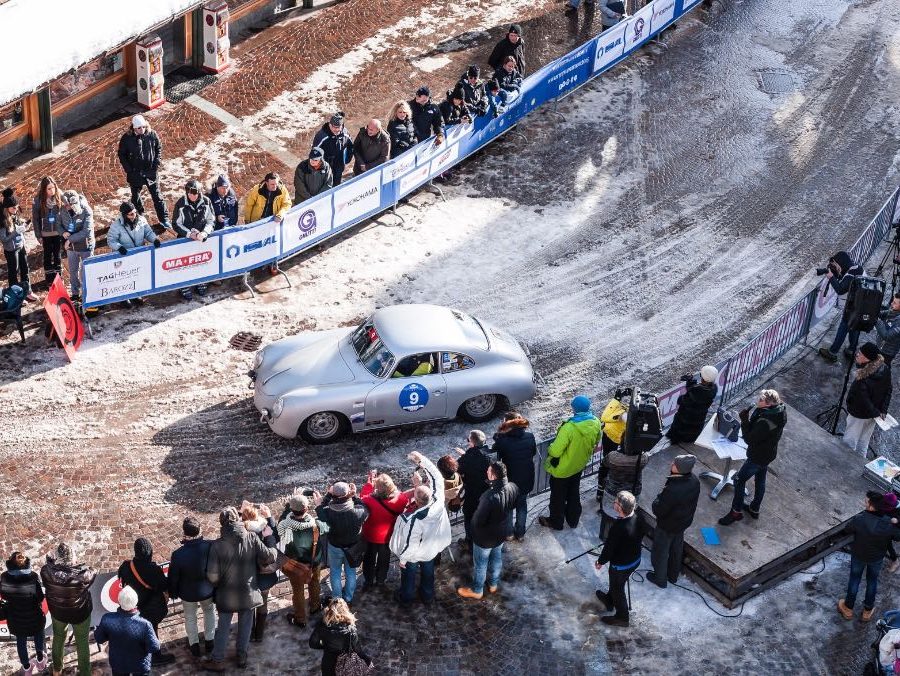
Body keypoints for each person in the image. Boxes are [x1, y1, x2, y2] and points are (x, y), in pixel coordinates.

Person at [205, 506, 277, 671]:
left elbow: (213, 576)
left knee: (223, 626)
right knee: (245, 624)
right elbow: (268, 557)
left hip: (226, 593)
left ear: (221, 524)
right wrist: (270, 540)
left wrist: (219, 585)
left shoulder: (217, 545)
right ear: (237, 520)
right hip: (248, 591)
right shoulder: (251, 537)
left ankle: (217, 660)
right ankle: (242, 656)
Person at [390, 452, 451, 607]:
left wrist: (403, 559)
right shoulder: (438, 501)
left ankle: (407, 597)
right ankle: (428, 596)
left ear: (416, 501)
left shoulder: (414, 519)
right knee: (428, 572)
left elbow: (411, 543)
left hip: (415, 554)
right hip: (431, 548)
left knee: (409, 575)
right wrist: (422, 460)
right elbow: (436, 477)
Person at [718, 389, 788, 525]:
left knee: (738, 480)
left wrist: (744, 421)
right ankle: (754, 508)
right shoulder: (779, 411)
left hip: (758, 456)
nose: (758, 400)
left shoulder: (766, 422)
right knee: (760, 480)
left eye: (761, 400)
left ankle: (735, 512)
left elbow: (749, 439)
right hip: (768, 454)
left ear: (768, 405)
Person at [538, 396, 602, 531]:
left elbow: (555, 452)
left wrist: (549, 449)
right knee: (574, 493)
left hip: (562, 470)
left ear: (575, 409)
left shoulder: (569, 427)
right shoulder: (596, 421)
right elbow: (597, 440)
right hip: (578, 466)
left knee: (557, 498)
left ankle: (556, 522)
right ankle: (573, 520)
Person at [458, 461, 519, 600]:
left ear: (493, 475)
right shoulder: (513, 487)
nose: (486, 472)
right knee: (497, 557)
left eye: (489, 471)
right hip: (501, 532)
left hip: (485, 538)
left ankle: (477, 590)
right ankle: (493, 584)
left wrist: (473, 531)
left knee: (480, 564)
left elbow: (478, 521)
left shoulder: (489, 497)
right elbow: (513, 505)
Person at [837, 491, 900, 622]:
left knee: (854, 580)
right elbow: (898, 537)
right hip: (876, 558)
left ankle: (848, 608)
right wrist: (894, 523)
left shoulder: (860, 519)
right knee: (872, 581)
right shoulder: (888, 523)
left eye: (866, 502)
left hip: (859, 555)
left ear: (871, 507)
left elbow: (847, 529)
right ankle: (867, 610)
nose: (864, 503)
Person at [117, 538, 175, 667]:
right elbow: (164, 585)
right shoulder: (153, 570)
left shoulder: (126, 566)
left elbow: (122, 579)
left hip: (134, 608)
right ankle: (155, 656)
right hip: (152, 609)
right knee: (152, 630)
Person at [40, 542, 96, 676]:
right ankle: (85, 672)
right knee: (82, 641)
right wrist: (80, 565)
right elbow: (93, 572)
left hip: (58, 612)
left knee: (58, 638)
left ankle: (57, 669)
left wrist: (50, 561)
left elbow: (48, 566)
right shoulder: (82, 575)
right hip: (80, 612)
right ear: (72, 557)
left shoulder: (46, 571)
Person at [594, 491, 649, 627]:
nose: (614, 503)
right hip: (635, 560)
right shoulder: (639, 517)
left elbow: (609, 549)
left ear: (620, 508)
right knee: (617, 585)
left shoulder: (618, 528)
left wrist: (600, 561)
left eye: (616, 502)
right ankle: (609, 600)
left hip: (621, 566)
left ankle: (622, 617)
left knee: (618, 588)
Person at [647, 454, 701, 588]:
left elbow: (659, 509)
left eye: (675, 464)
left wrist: (657, 500)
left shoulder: (673, 489)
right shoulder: (694, 480)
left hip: (667, 525)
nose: (671, 464)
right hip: (682, 523)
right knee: (677, 549)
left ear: (681, 469)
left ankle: (660, 579)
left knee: (661, 551)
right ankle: (673, 575)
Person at [277, 493, 329, 628]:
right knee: (315, 583)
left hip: (295, 565)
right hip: (314, 562)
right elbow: (327, 525)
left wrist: (290, 504)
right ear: (306, 509)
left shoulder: (285, 525)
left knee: (298, 591)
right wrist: (319, 506)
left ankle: (300, 619)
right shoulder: (315, 524)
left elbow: (282, 519)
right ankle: (315, 607)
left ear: (292, 510)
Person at [168, 517, 216, 658]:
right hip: (207, 590)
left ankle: (194, 644)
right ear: (199, 530)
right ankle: (209, 641)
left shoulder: (178, 555)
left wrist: (173, 593)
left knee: (190, 617)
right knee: (209, 612)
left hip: (187, 593)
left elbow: (174, 577)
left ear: (185, 533)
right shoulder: (209, 546)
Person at [314, 482, 369, 605]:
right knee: (351, 572)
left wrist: (326, 496)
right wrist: (354, 496)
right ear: (348, 493)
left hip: (335, 546)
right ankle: (348, 598)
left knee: (335, 571)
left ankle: (337, 599)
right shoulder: (358, 512)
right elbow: (364, 508)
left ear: (334, 495)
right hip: (353, 547)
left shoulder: (328, 512)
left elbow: (321, 510)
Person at [360, 471, 413, 590]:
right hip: (388, 536)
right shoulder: (400, 499)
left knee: (369, 559)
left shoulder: (369, 500)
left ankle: (368, 581)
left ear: (377, 489)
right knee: (384, 560)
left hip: (370, 536)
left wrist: (369, 484)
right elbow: (403, 498)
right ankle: (380, 581)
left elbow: (362, 497)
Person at [94, 586, 161, 676]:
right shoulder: (145, 624)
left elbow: (99, 638)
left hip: (118, 663)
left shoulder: (107, 619)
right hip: (140, 664)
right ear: (136, 602)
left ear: (119, 601)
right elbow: (154, 647)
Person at [117, 115, 170, 227]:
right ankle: (139, 214)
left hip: (150, 172)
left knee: (157, 196)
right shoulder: (127, 138)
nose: (142, 130)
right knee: (135, 197)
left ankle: (164, 219)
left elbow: (158, 148)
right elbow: (121, 154)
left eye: (143, 127)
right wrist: (129, 170)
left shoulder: (152, 134)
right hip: (135, 173)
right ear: (133, 128)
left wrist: (156, 164)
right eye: (139, 128)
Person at [1, 551, 47, 676]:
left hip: (16, 619)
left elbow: (4, 595)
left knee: (21, 643)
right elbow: (40, 598)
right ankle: (40, 660)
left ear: (10, 563)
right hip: (34, 617)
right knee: (39, 636)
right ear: (26, 562)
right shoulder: (33, 576)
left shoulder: (4, 577)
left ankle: (27, 668)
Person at [843, 342, 893, 458]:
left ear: (867, 358)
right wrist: (882, 411)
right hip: (874, 415)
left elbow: (862, 398)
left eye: (859, 354)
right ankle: (860, 466)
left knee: (849, 443)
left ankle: (843, 465)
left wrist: (876, 412)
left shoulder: (863, 377)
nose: (856, 355)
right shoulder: (885, 369)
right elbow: (888, 391)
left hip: (859, 414)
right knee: (863, 443)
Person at [492, 412, 536, 541]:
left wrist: (499, 436)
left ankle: (509, 534)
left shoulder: (503, 441)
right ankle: (521, 534)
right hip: (526, 478)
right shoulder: (529, 436)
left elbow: (496, 451)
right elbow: (532, 452)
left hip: (510, 481)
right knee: (522, 505)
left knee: (508, 508)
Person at [241, 502, 280, 643]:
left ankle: (250, 634)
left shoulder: (242, 532)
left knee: (250, 606)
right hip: (264, 577)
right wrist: (269, 518)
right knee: (263, 604)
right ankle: (259, 635)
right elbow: (276, 539)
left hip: (248, 578)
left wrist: (241, 511)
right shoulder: (264, 528)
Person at [817, 251, 865, 362]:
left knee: (843, 329)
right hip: (862, 305)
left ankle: (832, 352)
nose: (836, 267)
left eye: (836, 265)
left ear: (840, 262)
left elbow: (840, 289)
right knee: (855, 327)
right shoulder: (857, 268)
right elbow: (848, 280)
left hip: (852, 307)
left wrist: (830, 276)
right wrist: (837, 274)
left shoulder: (849, 275)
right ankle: (851, 350)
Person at [172, 178, 215, 300]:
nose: (192, 196)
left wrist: (205, 233)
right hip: (185, 240)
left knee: (201, 261)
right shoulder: (180, 204)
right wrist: (189, 234)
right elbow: (176, 223)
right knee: (185, 263)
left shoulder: (206, 202)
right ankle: (184, 285)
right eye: (190, 193)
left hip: (201, 239)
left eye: (195, 193)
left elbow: (211, 220)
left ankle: (201, 281)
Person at [308, 597, 370, 676]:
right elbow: (357, 649)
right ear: (346, 610)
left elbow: (312, 643)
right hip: (345, 666)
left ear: (330, 610)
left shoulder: (322, 625)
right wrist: (367, 660)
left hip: (328, 664)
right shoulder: (351, 629)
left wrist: (325, 645)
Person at [456, 429, 492, 548]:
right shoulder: (489, 453)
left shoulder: (468, 458)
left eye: (468, 440)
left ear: (472, 442)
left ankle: (469, 542)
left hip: (472, 493)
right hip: (487, 492)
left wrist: (464, 456)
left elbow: (458, 469)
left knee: (469, 517)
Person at [666, 365, 719, 444]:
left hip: (684, 426)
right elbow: (697, 393)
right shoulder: (712, 389)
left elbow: (681, 400)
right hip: (696, 425)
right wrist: (691, 382)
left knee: (676, 440)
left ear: (704, 378)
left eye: (701, 375)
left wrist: (688, 390)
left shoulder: (696, 392)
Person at [57, 190, 94, 302]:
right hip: (72, 249)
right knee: (73, 271)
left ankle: (89, 292)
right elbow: (58, 224)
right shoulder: (63, 210)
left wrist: (70, 240)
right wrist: (63, 232)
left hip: (85, 247)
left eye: (68, 205)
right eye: (64, 204)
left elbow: (86, 231)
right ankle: (75, 293)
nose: (65, 207)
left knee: (86, 271)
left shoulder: (86, 210)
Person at [0, 188, 36, 302]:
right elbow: (4, 239)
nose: (16, 209)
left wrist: (24, 227)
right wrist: (17, 232)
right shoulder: (2, 221)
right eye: (13, 208)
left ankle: (28, 291)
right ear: (7, 208)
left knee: (25, 269)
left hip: (21, 246)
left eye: (16, 207)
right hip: (11, 250)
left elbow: (19, 227)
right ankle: (15, 296)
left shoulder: (15, 215)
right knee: (13, 273)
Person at [596, 389, 628, 501]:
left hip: (614, 439)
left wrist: (616, 401)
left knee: (607, 464)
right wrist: (616, 400)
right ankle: (601, 489)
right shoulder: (623, 411)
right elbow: (605, 415)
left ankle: (602, 490)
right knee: (607, 463)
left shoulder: (623, 414)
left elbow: (604, 417)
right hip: (612, 437)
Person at [31, 176, 64, 284]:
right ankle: (49, 280)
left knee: (57, 255)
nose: (52, 191)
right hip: (45, 234)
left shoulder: (60, 196)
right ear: (44, 189)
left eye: (53, 188)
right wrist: (38, 235)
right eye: (49, 189)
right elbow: (35, 219)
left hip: (58, 232)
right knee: (48, 256)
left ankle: (58, 278)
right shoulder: (38, 200)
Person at [312, 113, 354, 186]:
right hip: (325, 167)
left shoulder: (345, 133)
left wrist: (347, 159)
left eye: (339, 127)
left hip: (339, 166)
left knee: (336, 184)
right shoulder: (322, 136)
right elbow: (314, 153)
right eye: (334, 127)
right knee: (325, 186)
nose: (337, 130)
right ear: (330, 125)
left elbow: (351, 146)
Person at [875, 292, 900, 366]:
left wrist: (877, 321)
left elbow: (886, 336)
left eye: (895, 303)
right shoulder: (894, 310)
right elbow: (882, 313)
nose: (891, 304)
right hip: (880, 347)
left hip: (887, 353)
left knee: (882, 370)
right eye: (893, 301)